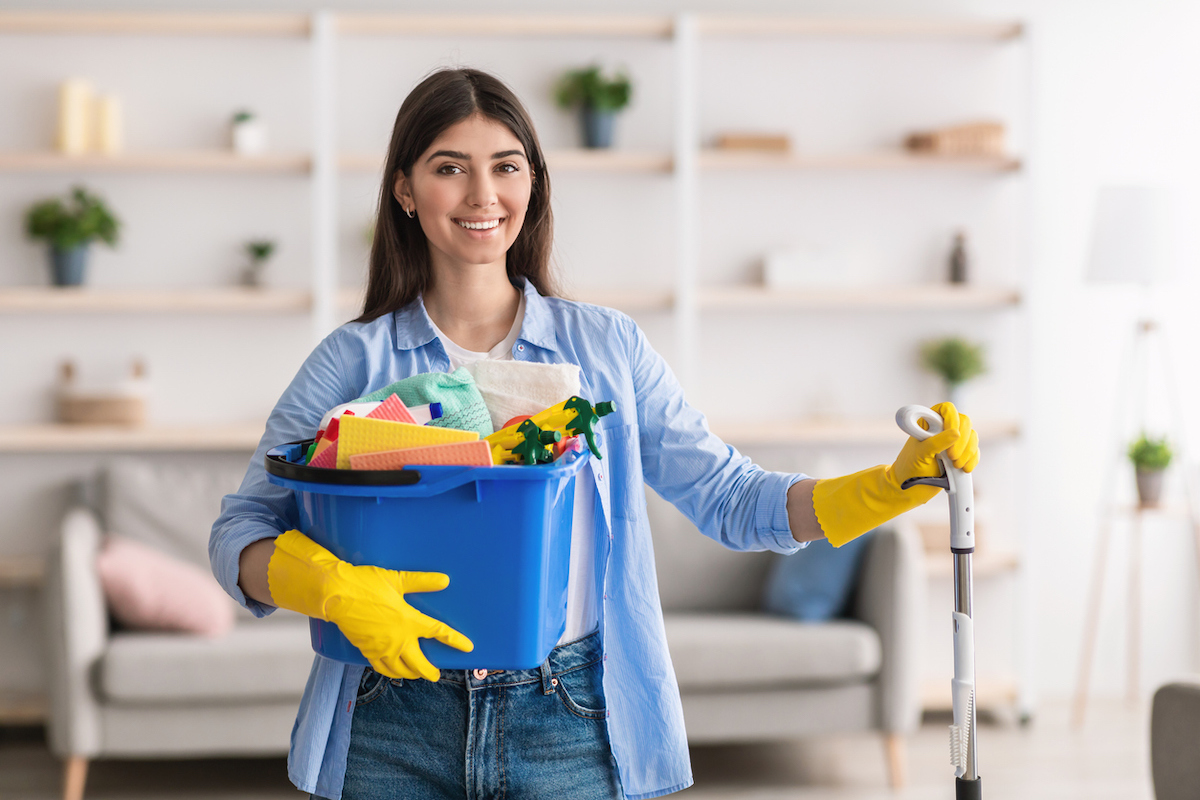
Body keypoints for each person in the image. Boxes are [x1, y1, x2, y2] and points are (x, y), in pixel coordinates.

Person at [210, 68, 979, 800]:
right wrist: (332, 590)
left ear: (533, 182)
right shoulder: (353, 361)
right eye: (450, 168)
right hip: (390, 719)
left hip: (570, 719)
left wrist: (889, 486)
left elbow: (731, 498)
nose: (483, 194)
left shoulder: (606, 350)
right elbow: (241, 531)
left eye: (506, 166)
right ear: (405, 190)